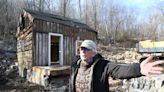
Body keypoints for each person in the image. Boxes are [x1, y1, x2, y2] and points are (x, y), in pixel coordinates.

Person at [69, 40, 164, 92]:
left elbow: (119, 69)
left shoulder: (103, 65)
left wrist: (138, 69)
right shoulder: (75, 66)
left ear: (93, 53)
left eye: (86, 49)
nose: (82, 51)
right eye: (81, 48)